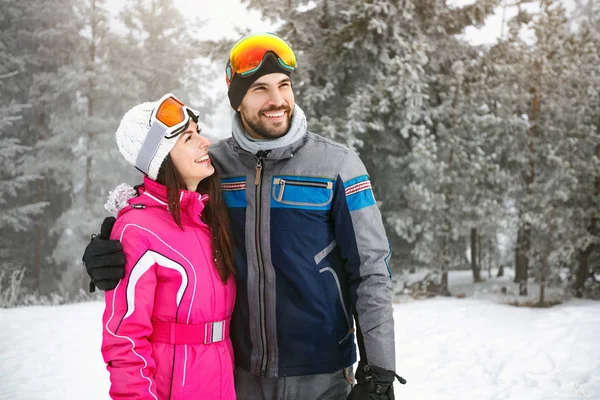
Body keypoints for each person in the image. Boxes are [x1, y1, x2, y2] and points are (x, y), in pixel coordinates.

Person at [83, 33, 405, 400]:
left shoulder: (338, 165)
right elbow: (159, 197)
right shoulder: (216, 166)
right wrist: (108, 244)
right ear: (238, 101)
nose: (277, 100)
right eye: (260, 89)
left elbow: (371, 271)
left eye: (284, 85)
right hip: (238, 377)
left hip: (323, 377)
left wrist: (379, 371)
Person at [98, 93, 236, 400]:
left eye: (198, 132)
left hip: (223, 381)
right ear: (160, 158)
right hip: (173, 387)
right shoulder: (137, 229)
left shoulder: (207, 215)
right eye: (189, 138)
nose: (205, 143)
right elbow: (124, 339)